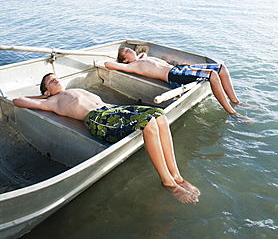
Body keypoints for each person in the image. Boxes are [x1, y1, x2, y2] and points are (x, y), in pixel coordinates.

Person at [13, 73, 200, 204]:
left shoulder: (73, 90)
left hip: (111, 109)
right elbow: (18, 100)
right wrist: (42, 96)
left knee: (160, 115)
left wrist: (50, 88)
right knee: (148, 123)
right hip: (98, 119)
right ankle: (168, 182)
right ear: (46, 92)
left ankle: (176, 175)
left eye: (56, 77)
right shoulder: (50, 101)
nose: (56, 80)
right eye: (51, 81)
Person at [104, 47, 254, 124]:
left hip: (179, 69)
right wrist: (122, 63)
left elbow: (142, 55)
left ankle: (236, 102)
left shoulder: (142, 58)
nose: (129, 49)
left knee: (220, 68)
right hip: (173, 76)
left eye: (128, 48)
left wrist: (139, 55)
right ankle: (233, 113)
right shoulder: (132, 66)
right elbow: (108, 64)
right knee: (212, 75)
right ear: (124, 60)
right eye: (126, 52)